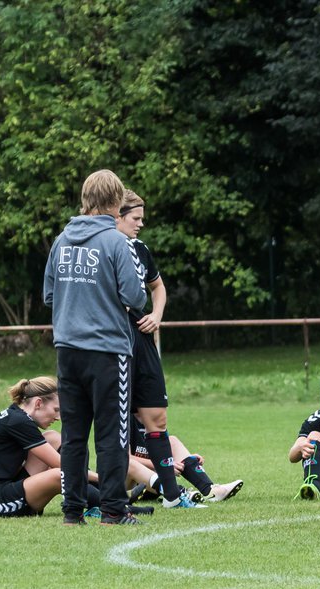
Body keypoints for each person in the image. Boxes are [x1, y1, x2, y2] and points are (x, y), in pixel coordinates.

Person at [43, 169, 146, 525]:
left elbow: (50, 294)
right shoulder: (117, 242)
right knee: (112, 434)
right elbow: (135, 296)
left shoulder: (61, 241)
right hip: (107, 352)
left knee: (73, 435)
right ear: (117, 202)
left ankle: (72, 511)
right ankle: (114, 511)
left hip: (67, 350)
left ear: (86, 199)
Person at [115, 188, 203, 509]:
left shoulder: (140, 248)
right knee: (118, 420)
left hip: (143, 340)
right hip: (117, 340)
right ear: (117, 216)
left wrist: (156, 315)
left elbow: (158, 286)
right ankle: (107, 493)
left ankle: (172, 496)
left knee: (157, 417)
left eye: (142, 218)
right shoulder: (106, 248)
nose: (140, 224)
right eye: (135, 218)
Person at [0, 377, 65, 518]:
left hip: (5, 486)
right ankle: (102, 501)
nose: (58, 417)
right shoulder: (18, 421)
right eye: (56, 410)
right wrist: (99, 478)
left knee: (52, 438)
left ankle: (100, 497)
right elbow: (63, 467)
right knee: (60, 475)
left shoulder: (15, 416)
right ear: (38, 403)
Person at [128, 415, 244, 504]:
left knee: (171, 441)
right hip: (128, 487)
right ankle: (179, 493)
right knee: (128, 463)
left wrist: (188, 461)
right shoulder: (124, 417)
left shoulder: (153, 416)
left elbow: (157, 451)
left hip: (152, 485)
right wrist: (164, 465)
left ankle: (210, 491)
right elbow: (124, 458)